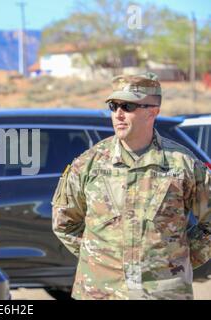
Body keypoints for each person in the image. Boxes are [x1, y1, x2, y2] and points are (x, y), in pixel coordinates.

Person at [52, 72, 211, 300]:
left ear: (152, 112)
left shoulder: (182, 164)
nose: (118, 114)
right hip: (100, 292)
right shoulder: (88, 164)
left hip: (162, 293)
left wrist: (176, 261)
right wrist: (101, 260)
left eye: (127, 106)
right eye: (113, 105)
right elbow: (64, 223)